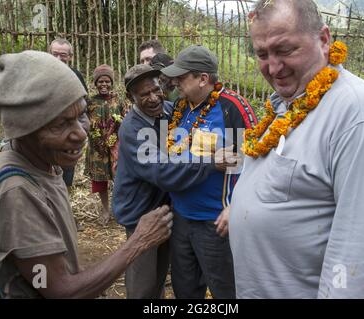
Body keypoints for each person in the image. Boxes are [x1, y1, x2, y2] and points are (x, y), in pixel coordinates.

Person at [229, 0, 364, 299]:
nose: (273, 67)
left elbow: (360, 257)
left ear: (324, 40)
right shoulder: (286, 104)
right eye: (262, 54)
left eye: (285, 50)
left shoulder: (359, 113)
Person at [0, 51, 173, 299]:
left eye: (82, 115)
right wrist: (137, 242)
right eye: (60, 124)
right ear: (24, 128)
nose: (81, 133)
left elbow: (40, 271)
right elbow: (60, 291)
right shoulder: (17, 189)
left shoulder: (41, 160)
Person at [112, 64, 238, 298]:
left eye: (155, 89)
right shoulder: (133, 129)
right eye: (143, 95)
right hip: (140, 214)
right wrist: (211, 163)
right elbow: (162, 171)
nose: (152, 98)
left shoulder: (171, 112)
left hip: (167, 211)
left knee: (160, 278)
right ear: (131, 98)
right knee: (143, 286)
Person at [160, 45, 258, 299]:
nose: (175, 82)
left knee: (224, 289)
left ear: (203, 78)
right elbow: (167, 152)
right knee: (185, 288)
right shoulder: (178, 107)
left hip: (216, 221)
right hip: (181, 215)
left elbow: (258, 158)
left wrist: (236, 205)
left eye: (181, 77)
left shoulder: (232, 107)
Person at [48, 38, 88, 192]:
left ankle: (64, 200)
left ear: (70, 57)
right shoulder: (39, 75)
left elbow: (84, 103)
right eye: (55, 54)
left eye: (63, 55)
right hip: (47, 131)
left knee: (66, 168)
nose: (59, 58)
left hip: (69, 130)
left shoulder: (75, 76)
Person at [85, 64, 123, 225]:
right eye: (100, 81)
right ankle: (106, 209)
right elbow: (84, 122)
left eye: (107, 81)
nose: (104, 84)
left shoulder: (118, 101)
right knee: (100, 181)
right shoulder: (90, 102)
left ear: (111, 83)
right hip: (97, 148)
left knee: (120, 178)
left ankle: (119, 210)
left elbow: (124, 121)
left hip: (115, 147)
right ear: (95, 83)